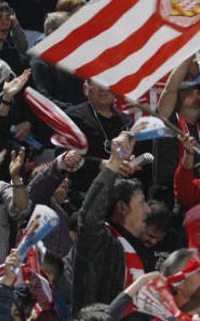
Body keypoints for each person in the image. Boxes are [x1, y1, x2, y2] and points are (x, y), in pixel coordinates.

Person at [73, 132, 153, 314]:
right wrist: (114, 162)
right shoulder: (101, 242)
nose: (148, 210)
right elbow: (89, 215)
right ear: (122, 208)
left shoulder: (142, 250)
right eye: (141, 203)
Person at [65, 80, 131, 190]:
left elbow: (120, 150)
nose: (103, 88)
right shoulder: (74, 115)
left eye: (106, 81)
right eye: (97, 82)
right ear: (87, 88)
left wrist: (127, 161)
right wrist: (102, 164)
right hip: (83, 189)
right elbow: (63, 154)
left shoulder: (125, 120)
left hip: (117, 189)